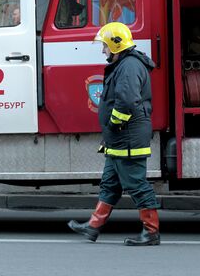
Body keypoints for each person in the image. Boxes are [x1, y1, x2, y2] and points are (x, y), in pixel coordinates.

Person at [68, 22, 160, 246]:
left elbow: (127, 100)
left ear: (115, 46)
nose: (103, 51)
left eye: (105, 46)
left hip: (127, 138)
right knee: (109, 183)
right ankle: (93, 227)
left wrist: (115, 123)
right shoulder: (126, 64)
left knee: (137, 184)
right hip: (119, 139)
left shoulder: (128, 66)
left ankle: (151, 231)